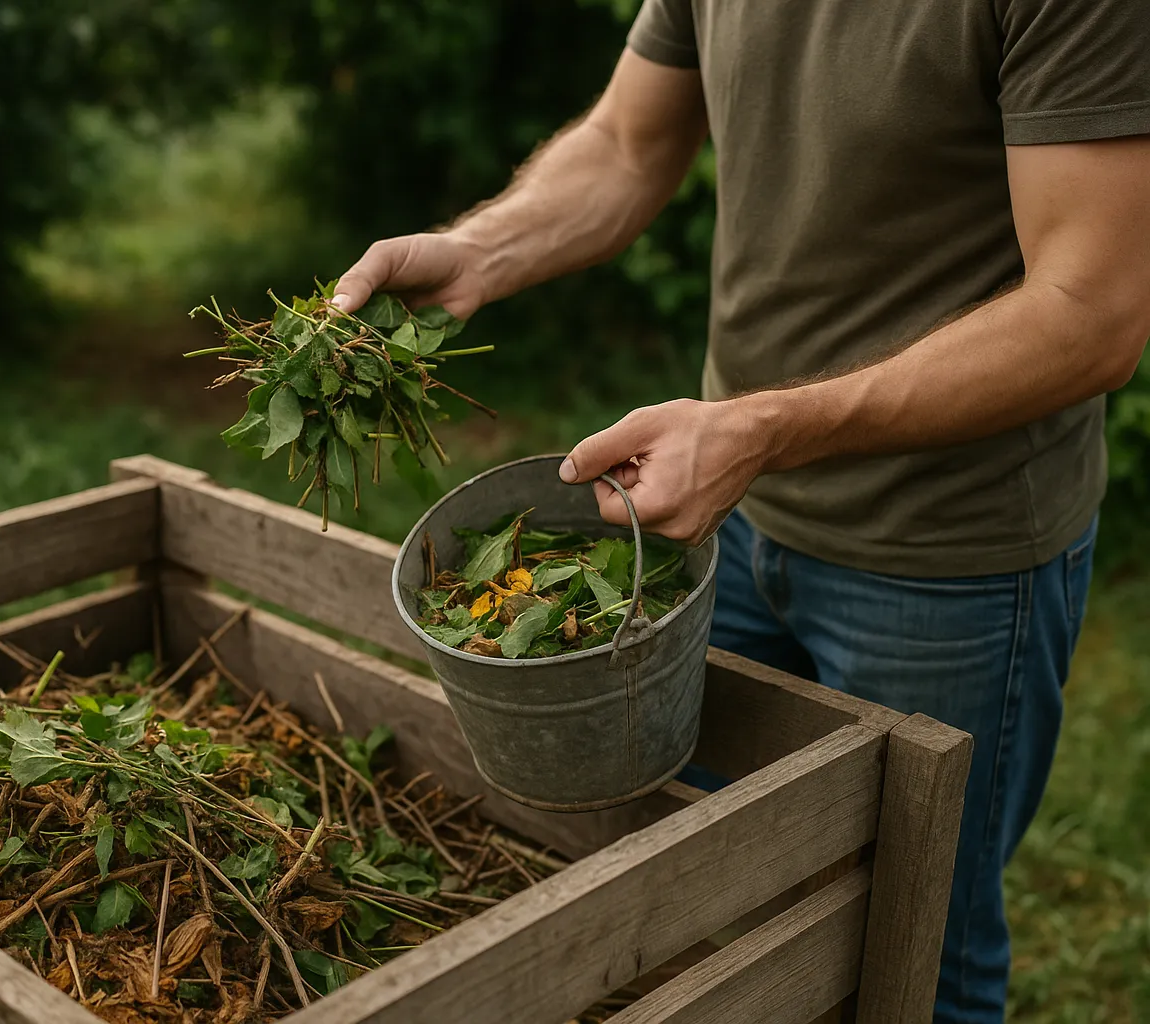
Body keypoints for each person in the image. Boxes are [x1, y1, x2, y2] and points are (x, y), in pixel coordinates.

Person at [328, 3, 1150, 1021]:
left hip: (948, 560)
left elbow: (1093, 312)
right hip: (728, 517)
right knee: (742, 905)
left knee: (916, 950)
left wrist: (762, 427)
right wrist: (480, 250)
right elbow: (629, 145)